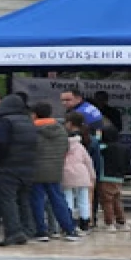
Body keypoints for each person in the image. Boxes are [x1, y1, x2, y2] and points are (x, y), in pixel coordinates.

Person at [27, 103, 81, 243]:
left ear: (35, 114)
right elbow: (65, 149)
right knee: (58, 199)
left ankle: (41, 231)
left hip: (36, 170)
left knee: (37, 200)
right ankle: (69, 230)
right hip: (55, 170)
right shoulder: (61, 130)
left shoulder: (31, 130)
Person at [0, 95, 40, 247]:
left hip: (8, 166)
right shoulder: (29, 121)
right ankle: (27, 229)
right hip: (28, 166)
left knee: (8, 200)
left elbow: (0, 143)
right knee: (24, 199)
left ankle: (13, 232)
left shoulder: (4, 121)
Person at [61, 120, 97, 235]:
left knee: (68, 199)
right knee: (84, 200)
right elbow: (88, 161)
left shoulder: (62, 147)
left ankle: (69, 222)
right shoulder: (80, 147)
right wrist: (92, 175)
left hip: (66, 174)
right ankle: (84, 223)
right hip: (82, 175)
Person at [96, 123, 128, 231]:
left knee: (107, 201)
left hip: (105, 177)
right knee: (117, 200)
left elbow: (96, 146)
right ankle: (121, 222)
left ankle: (109, 223)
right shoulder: (124, 148)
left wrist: (97, 137)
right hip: (119, 178)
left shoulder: (103, 147)